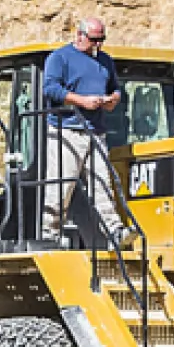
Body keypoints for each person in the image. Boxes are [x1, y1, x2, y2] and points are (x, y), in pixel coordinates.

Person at [37, 17, 120, 241]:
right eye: (94, 40)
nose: (98, 45)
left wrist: (113, 99)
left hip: (96, 131)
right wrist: (81, 101)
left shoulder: (106, 62)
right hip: (67, 130)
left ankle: (115, 230)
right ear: (79, 35)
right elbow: (51, 88)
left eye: (102, 40)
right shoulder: (60, 58)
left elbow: (115, 87)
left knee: (103, 181)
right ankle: (50, 234)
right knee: (61, 185)